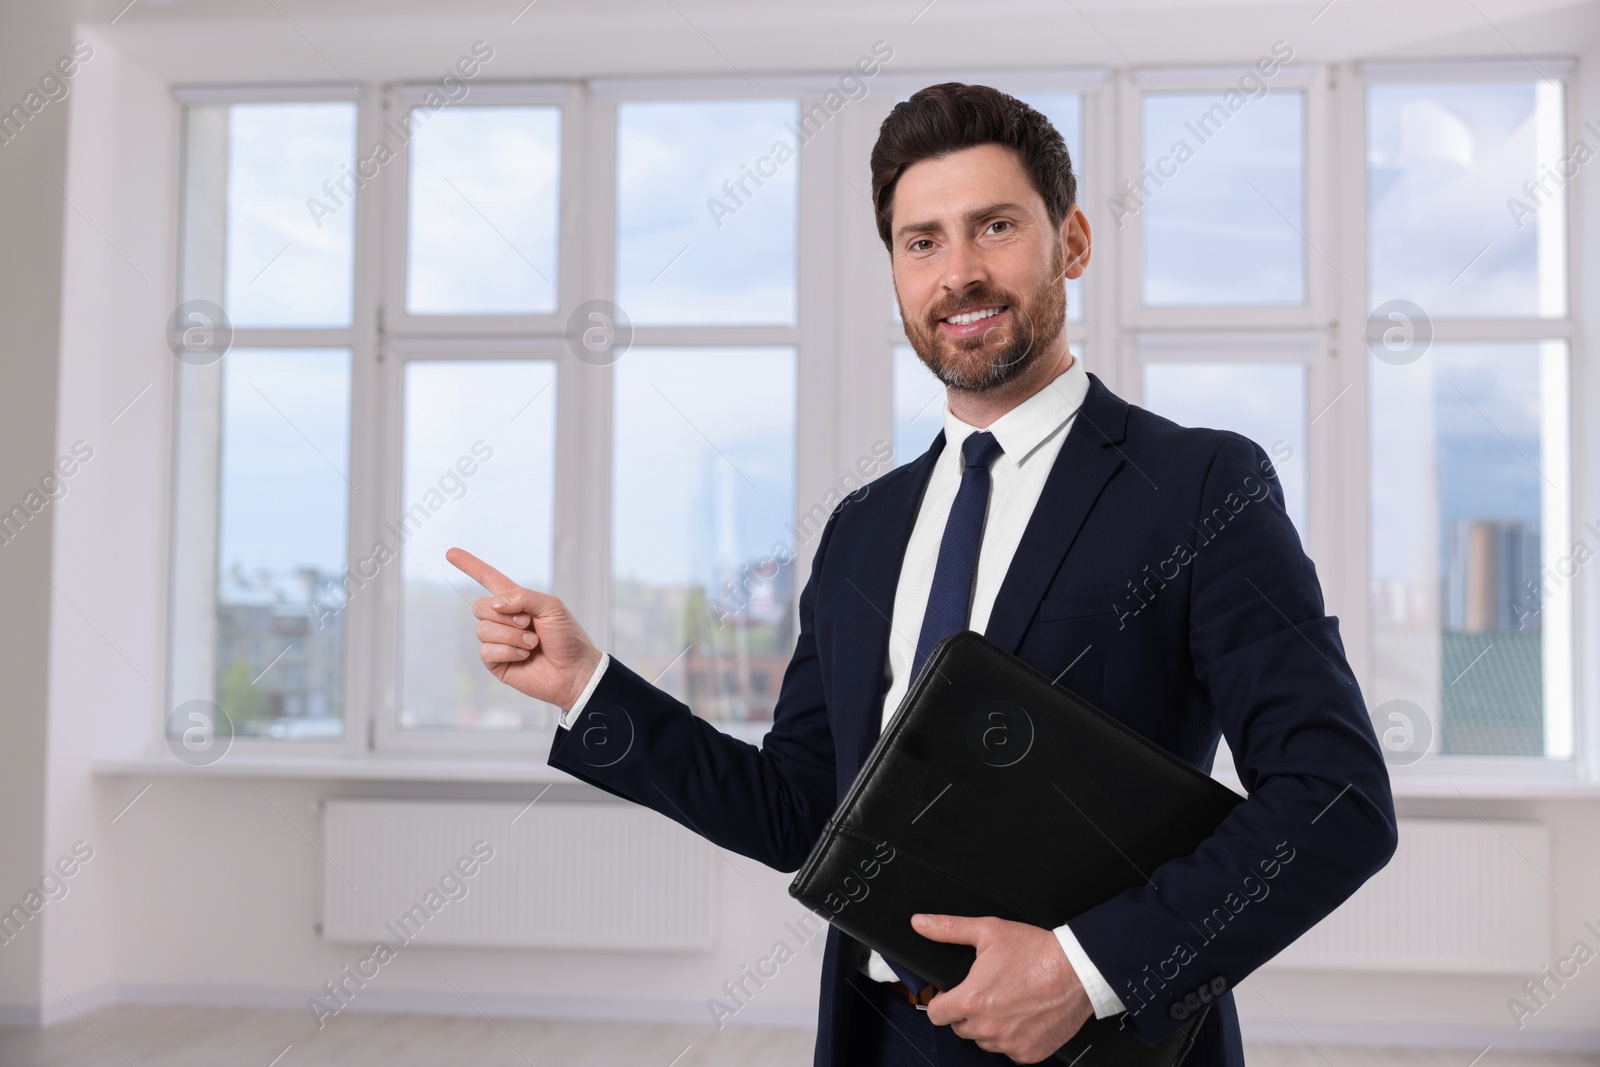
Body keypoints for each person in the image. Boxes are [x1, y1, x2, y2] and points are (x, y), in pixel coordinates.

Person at [448, 81, 1397, 1067]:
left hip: (1098, 1040)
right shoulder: (863, 530)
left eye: (994, 226)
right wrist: (585, 685)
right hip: (880, 1037)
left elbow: (1334, 800)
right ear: (896, 272)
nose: (961, 273)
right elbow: (808, 812)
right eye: (923, 242)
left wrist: (1083, 968)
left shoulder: (1199, 486)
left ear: (1070, 241)